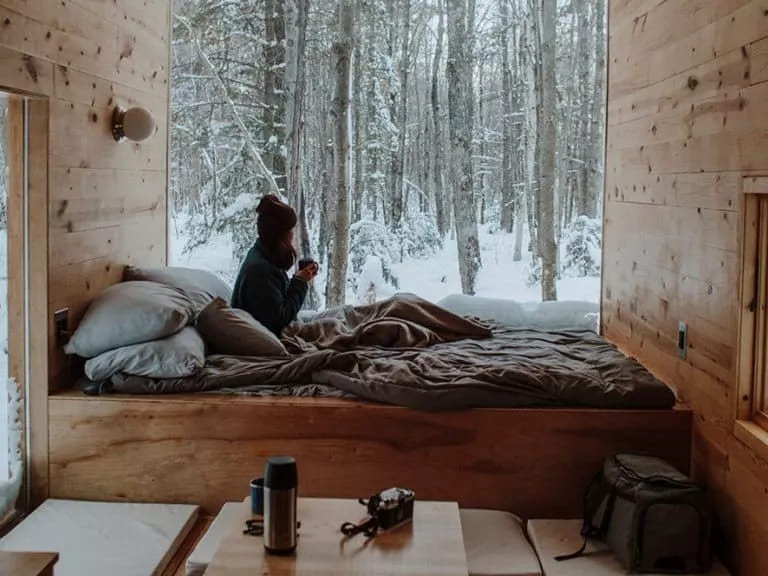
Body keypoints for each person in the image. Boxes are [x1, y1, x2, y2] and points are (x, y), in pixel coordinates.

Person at [231, 194, 319, 335]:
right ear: (281, 235)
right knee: (338, 322)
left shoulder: (262, 255)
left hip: (281, 326)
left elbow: (271, 298)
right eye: (291, 230)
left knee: (342, 315)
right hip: (270, 338)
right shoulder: (260, 271)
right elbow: (278, 320)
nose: (293, 234)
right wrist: (300, 282)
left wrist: (297, 279)